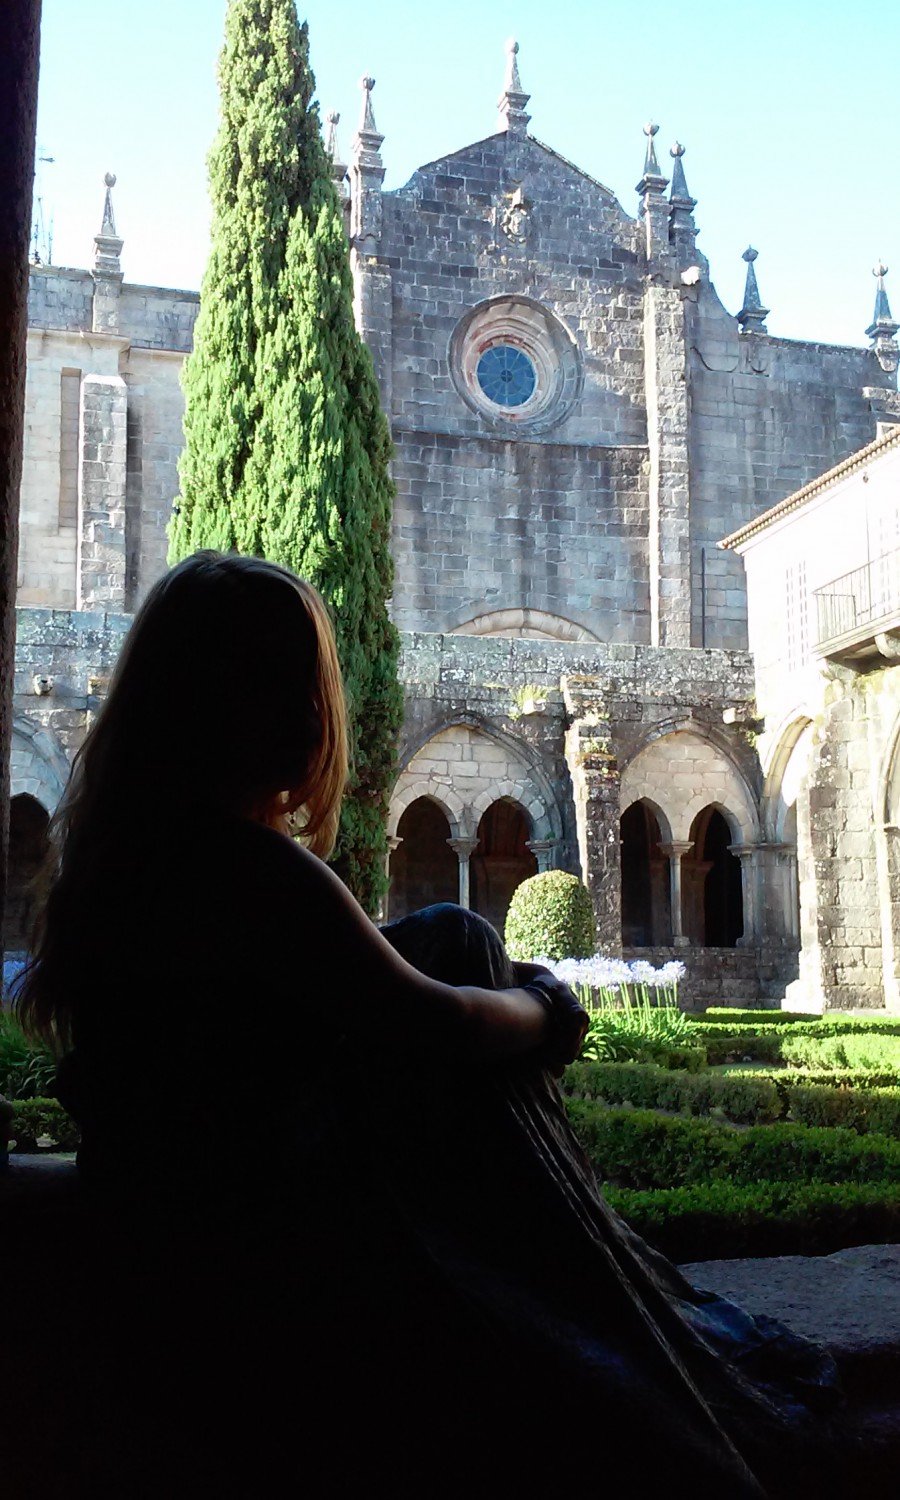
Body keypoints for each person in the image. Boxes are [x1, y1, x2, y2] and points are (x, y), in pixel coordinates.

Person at [16, 552, 852, 1498]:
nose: (307, 716)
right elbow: (434, 1020)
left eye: (306, 686)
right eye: (281, 685)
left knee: (441, 937)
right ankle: (610, 1314)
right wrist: (542, 1010)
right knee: (457, 935)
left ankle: (604, 1302)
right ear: (231, 711)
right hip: (251, 1227)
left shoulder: (119, 865)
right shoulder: (252, 870)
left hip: (175, 1199)